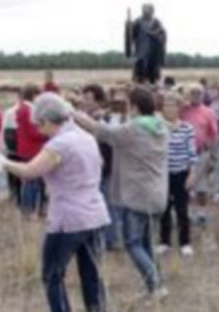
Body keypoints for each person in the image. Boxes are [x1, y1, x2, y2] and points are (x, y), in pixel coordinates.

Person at [0, 93, 113, 312]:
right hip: (95, 214)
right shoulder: (86, 137)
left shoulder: (58, 145)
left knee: (52, 274)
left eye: (39, 125)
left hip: (68, 218)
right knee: (92, 275)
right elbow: (101, 163)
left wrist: (2, 161)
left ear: (48, 120)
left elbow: (29, 172)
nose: (39, 130)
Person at [73, 86, 169, 298]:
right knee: (145, 244)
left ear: (134, 106)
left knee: (133, 243)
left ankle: (156, 285)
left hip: (138, 196)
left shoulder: (135, 129)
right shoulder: (160, 126)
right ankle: (156, 284)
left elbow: (103, 132)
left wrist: (73, 113)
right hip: (156, 195)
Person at [157, 92, 198, 256]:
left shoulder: (186, 128)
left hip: (181, 173)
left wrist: (192, 174)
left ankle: (185, 242)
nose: (170, 109)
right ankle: (164, 241)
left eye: (173, 105)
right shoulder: (158, 127)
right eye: (166, 105)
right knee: (164, 209)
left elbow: (192, 153)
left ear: (179, 108)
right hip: (162, 174)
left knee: (182, 210)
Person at [82, 84, 121, 250]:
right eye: (83, 98)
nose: (84, 102)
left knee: (108, 204)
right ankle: (97, 239)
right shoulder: (81, 119)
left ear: (98, 101)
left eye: (88, 99)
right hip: (88, 170)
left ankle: (110, 240)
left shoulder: (107, 119)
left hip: (106, 168)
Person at [181, 83, 219, 226]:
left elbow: (214, 136)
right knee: (186, 185)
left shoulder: (208, 112)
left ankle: (202, 214)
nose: (195, 96)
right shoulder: (183, 110)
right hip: (184, 154)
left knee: (201, 187)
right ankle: (188, 213)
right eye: (192, 93)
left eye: (198, 93)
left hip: (202, 153)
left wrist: (213, 158)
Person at [16, 84, 48, 219]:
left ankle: (33, 210)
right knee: (33, 182)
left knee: (35, 181)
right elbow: (33, 132)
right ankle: (28, 211)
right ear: (33, 95)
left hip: (27, 149)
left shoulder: (23, 109)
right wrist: (48, 133)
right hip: (33, 149)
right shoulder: (28, 111)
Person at [125, 3, 167, 84]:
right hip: (140, 55)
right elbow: (130, 35)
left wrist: (154, 35)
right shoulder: (137, 22)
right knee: (139, 79)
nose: (146, 12)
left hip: (153, 56)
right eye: (144, 10)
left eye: (148, 10)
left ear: (152, 11)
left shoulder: (157, 23)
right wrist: (128, 24)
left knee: (154, 80)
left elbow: (162, 36)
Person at [2, 91, 23, 205]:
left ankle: (13, 191)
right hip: (16, 139)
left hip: (11, 139)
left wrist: (4, 145)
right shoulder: (12, 111)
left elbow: (4, 129)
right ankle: (16, 192)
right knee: (19, 167)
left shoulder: (9, 111)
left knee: (12, 167)